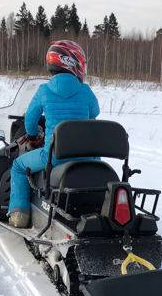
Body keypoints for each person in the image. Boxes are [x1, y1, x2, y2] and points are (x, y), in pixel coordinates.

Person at [7, 40, 100, 227]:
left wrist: (33, 135)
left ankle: (19, 214)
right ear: (74, 63)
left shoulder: (44, 90)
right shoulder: (85, 91)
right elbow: (94, 113)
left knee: (17, 166)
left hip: (54, 156)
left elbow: (30, 121)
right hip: (87, 156)